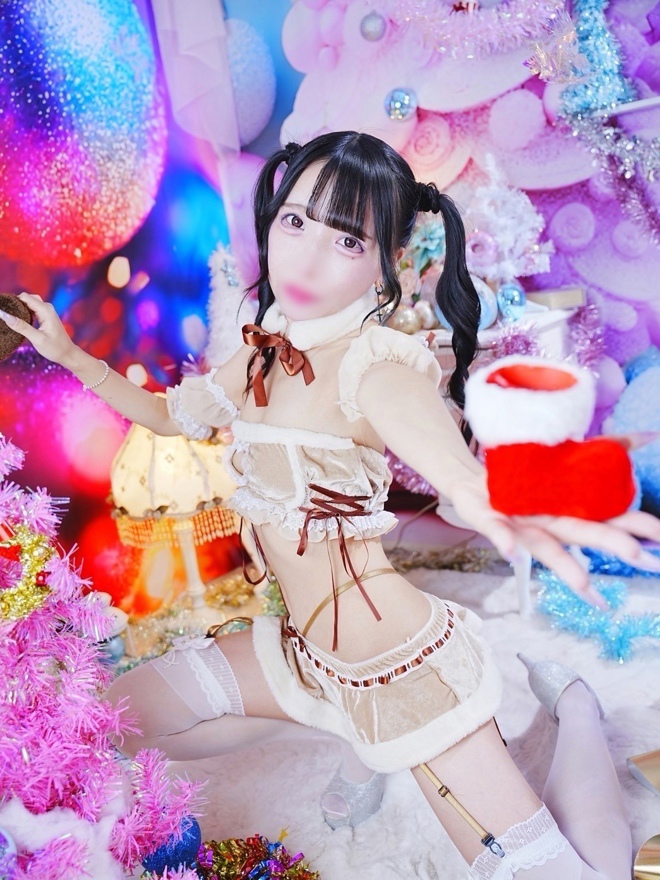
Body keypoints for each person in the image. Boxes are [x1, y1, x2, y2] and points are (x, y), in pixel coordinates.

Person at [5, 130, 659, 878]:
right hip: (302, 652)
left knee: (566, 873)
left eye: (347, 240)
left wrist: (508, 501)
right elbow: (169, 416)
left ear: (387, 264)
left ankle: (576, 708)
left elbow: (457, 474)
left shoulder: (376, 365)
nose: (307, 259)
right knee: (117, 718)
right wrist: (68, 354)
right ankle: (354, 735)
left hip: (394, 664)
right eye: (295, 222)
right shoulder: (266, 346)